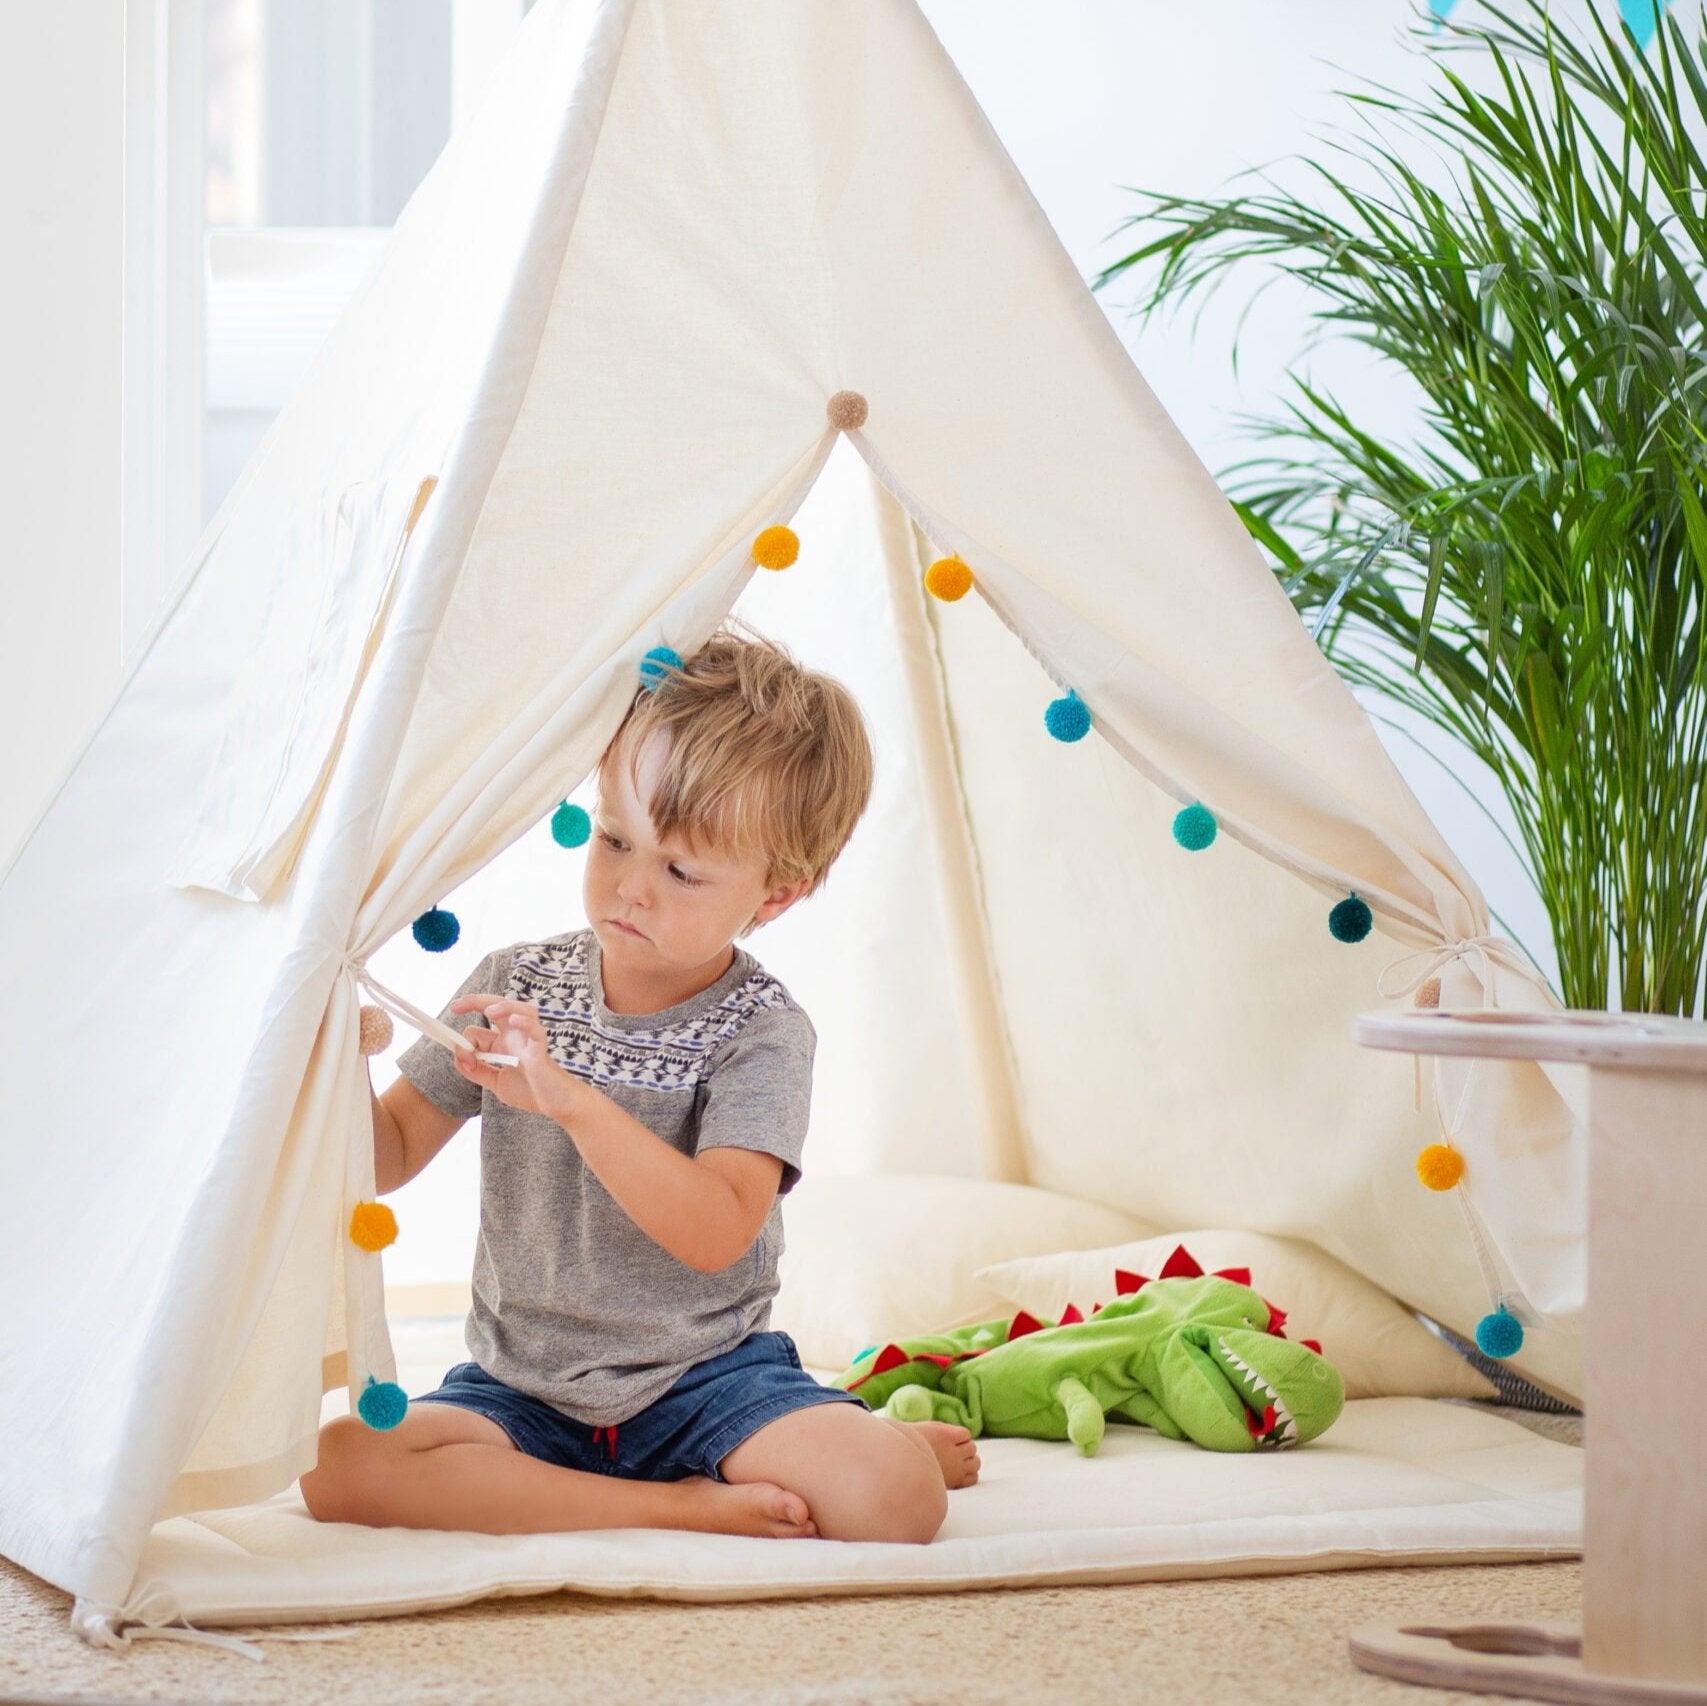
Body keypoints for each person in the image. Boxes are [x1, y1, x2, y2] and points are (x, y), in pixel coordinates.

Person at [301, 624, 979, 1543]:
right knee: (338, 1466)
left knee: (895, 1502)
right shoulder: (517, 981)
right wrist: (339, 1053)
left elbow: (714, 1230)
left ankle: (852, 1436)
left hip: (706, 1381)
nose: (631, 888)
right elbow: (384, 1159)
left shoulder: (763, 1032)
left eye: (681, 869)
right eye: (616, 840)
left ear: (775, 893)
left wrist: (572, 1101)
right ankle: (674, 1506)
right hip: (521, 1389)